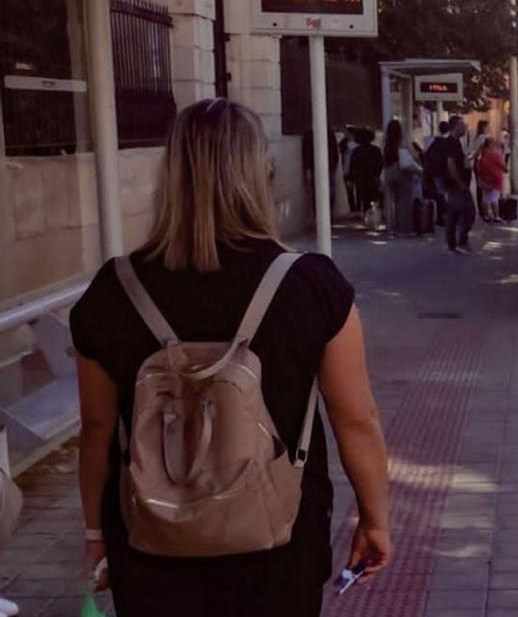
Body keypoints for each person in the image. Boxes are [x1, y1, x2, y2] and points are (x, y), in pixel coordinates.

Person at [70, 98, 390, 616]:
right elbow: (357, 421)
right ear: (261, 174)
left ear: (171, 177)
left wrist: (94, 530)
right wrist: (375, 520)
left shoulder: (114, 289)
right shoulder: (310, 285)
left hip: (151, 542)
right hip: (277, 546)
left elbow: (96, 428)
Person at [439, 116, 476, 254]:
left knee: (453, 213)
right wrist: (460, 183)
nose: (465, 128)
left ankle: (452, 243)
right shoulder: (452, 143)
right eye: (462, 125)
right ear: (455, 126)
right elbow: (451, 164)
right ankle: (461, 241)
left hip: (452, 184)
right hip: (456, 185)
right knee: (469, 212)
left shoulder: (455, 143)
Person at [382, 120, 422, 237]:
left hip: (389, 172)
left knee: (394, 202)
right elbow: (409, 160)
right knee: (405, 202)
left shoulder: (386, 143)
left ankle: (393, 227)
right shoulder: (402, 142)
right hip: (402, 173)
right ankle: (405, 230)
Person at [349, 127, 384, 225]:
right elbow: (380, 163)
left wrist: (351, 178)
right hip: (373, 177)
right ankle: (375, 217)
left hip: (361, 177)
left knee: (364, 198)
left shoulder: (356, 151)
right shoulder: (376, 150)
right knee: (374, 198)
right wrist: (377, 174)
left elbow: (352, 166)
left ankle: (367, 217)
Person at [422, 121, 452, 227]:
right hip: (442, 172)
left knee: (439, 194)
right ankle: (443, 217)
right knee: (442, 195)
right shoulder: (447, 142)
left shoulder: (432, 141)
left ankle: (440, 217)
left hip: (433, 172)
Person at [474, 137, 507, 223]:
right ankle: (496, 216)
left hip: (485, 178)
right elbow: (502, 165)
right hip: (495, 178)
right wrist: (505, 169)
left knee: (485, 198)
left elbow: (478, 165)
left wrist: (480, 177)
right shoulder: (495, 154)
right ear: (492, 144)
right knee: (494, 198)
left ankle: (486, 215)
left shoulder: (482, 154)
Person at [466, 121, 489, 214]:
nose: (489, 128)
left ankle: (481, 209)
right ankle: (483, 210)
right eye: (487, 127)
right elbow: (478, 150)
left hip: (477, 162)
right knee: (482, 186)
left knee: (479, 185)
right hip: (481, 162)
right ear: (483, 127)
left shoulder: (477, 137)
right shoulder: (483, 138)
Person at [338, 126, 360, 214]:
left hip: (353, 169)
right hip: (347, 169)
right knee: (350, 190)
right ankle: (353, 209)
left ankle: (356, 208)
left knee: (356, 190)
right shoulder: (345, 143)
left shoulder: (355, 145)